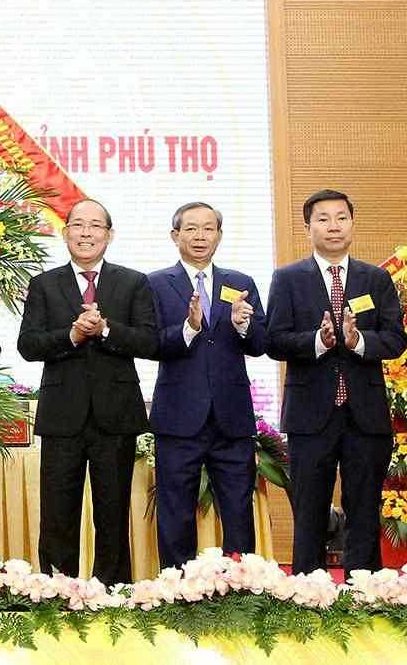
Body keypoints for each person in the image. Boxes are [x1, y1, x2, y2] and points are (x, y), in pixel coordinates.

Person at [17, 199, 157, 586]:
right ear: (65, 234)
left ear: (109, 235)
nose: (86, 233)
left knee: (112, 512)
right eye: (78, 225)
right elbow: (28, 345)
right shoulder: (44, 283)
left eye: (96, 226)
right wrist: (73, 335)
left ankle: (112, 592)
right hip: (63, 415)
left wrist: (106, 331)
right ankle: (57, 591)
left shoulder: (133, 282)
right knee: (58, 512)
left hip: (116, 416)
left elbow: (150, 341)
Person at [267, 189, 407, 574]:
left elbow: (396, 339)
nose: (333, 226)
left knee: (365, 507)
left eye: (341, 217)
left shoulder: (375, 278)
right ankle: (308, 593)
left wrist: (357, 341)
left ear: (352, 223)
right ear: (308, 226)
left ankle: (363, 590)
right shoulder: (288, 278)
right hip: (310, 417)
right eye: (323, 219)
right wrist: (319, 340)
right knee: (310, 509)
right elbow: (274, 340)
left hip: (366, 416)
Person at [146, 202, 266, 570]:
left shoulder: (240, 284)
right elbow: (148, 343)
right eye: (191, 229)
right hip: (179, 417)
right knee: (175, 510)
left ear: (219, 235)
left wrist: (243, 325)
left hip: (231, 418)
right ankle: (177, 588)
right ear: (175, 235)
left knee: (238, 509)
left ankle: (241, 587)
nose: (200, 236)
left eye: (208, 229)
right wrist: (189, 328)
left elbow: (261, 344)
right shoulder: (154, 284)